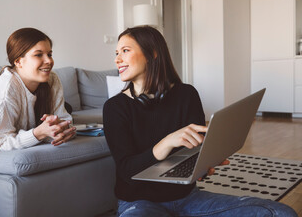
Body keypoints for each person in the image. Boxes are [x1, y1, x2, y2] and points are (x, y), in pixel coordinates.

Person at [103, 26, 297, 217]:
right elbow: (127, 171)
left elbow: (194, 151)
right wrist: (165, 143)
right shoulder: (114, 107)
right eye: (117, 52)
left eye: (125, 51)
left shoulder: (186, 94)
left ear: (152, 53)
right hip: (139, 203)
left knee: (281, 212)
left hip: (188, 199)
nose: (117, 59)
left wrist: (204, 164)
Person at [0, 28, 76, 152]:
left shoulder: (52, 79)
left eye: (49, 54)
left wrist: (61, 131)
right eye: (38, 55)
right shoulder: (6, 90)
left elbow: (66, 122)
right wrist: (37, 134)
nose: (49, 61)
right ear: (18, 61)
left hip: (26, 118)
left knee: (64, 110)